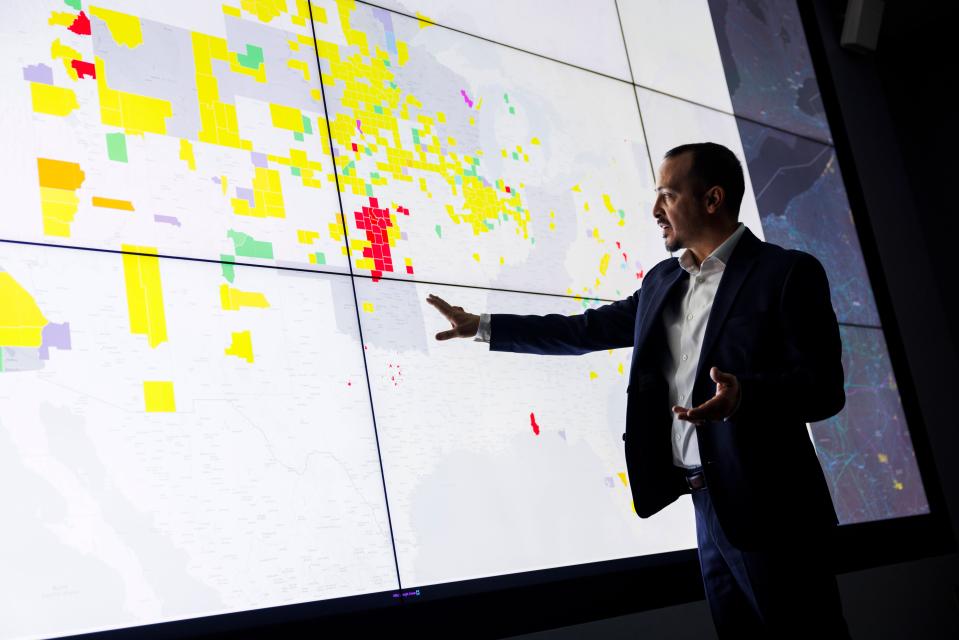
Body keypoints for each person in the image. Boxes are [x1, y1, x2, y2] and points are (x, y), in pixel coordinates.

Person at [426, 142, 852, 638]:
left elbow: (825, 390)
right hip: (705, 506)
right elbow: (584, 331)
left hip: (775, 515)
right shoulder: (662, 282)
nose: (655, 211)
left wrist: (746, 398)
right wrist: (482, 326)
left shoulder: (786, 274)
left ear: (712, 199)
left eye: (667, 196)